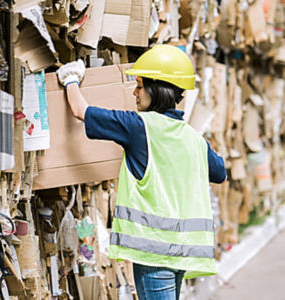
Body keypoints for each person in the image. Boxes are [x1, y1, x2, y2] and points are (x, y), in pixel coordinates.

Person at [56, 45, 226, 300]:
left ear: (156, 89)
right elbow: (219, 172)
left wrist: (70, 80)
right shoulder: (193, 138)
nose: (135, 93)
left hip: (153, 251)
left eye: (139, 85)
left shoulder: (138, 127)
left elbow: (82, 111)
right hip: (181, 253)